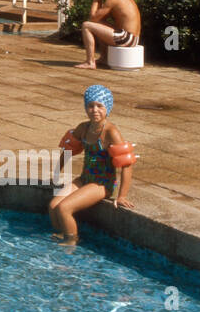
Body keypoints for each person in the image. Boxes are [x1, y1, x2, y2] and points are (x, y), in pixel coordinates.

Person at [48, 84, 135, 243]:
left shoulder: (111, 132)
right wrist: (56, 173)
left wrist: (122, 195)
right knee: (53, 206)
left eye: (99, 106)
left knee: (64, 208)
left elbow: (126, 164)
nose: (94, 110)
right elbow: (68, 150)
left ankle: (71, 242)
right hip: (85, 178)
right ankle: (61, 233)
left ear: (107, 108)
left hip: (102, 183)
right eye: (90, 106)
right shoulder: (83, 128)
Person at [75, 0, 142, 70]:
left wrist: (95, 0)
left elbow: (93, 18)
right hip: (133, 38)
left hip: (126, 38)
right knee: (97, 24)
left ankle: (90, 62)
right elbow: (99, 19)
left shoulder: (113, 0)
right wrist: (100, 1)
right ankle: (104, 58)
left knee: (86, 25)